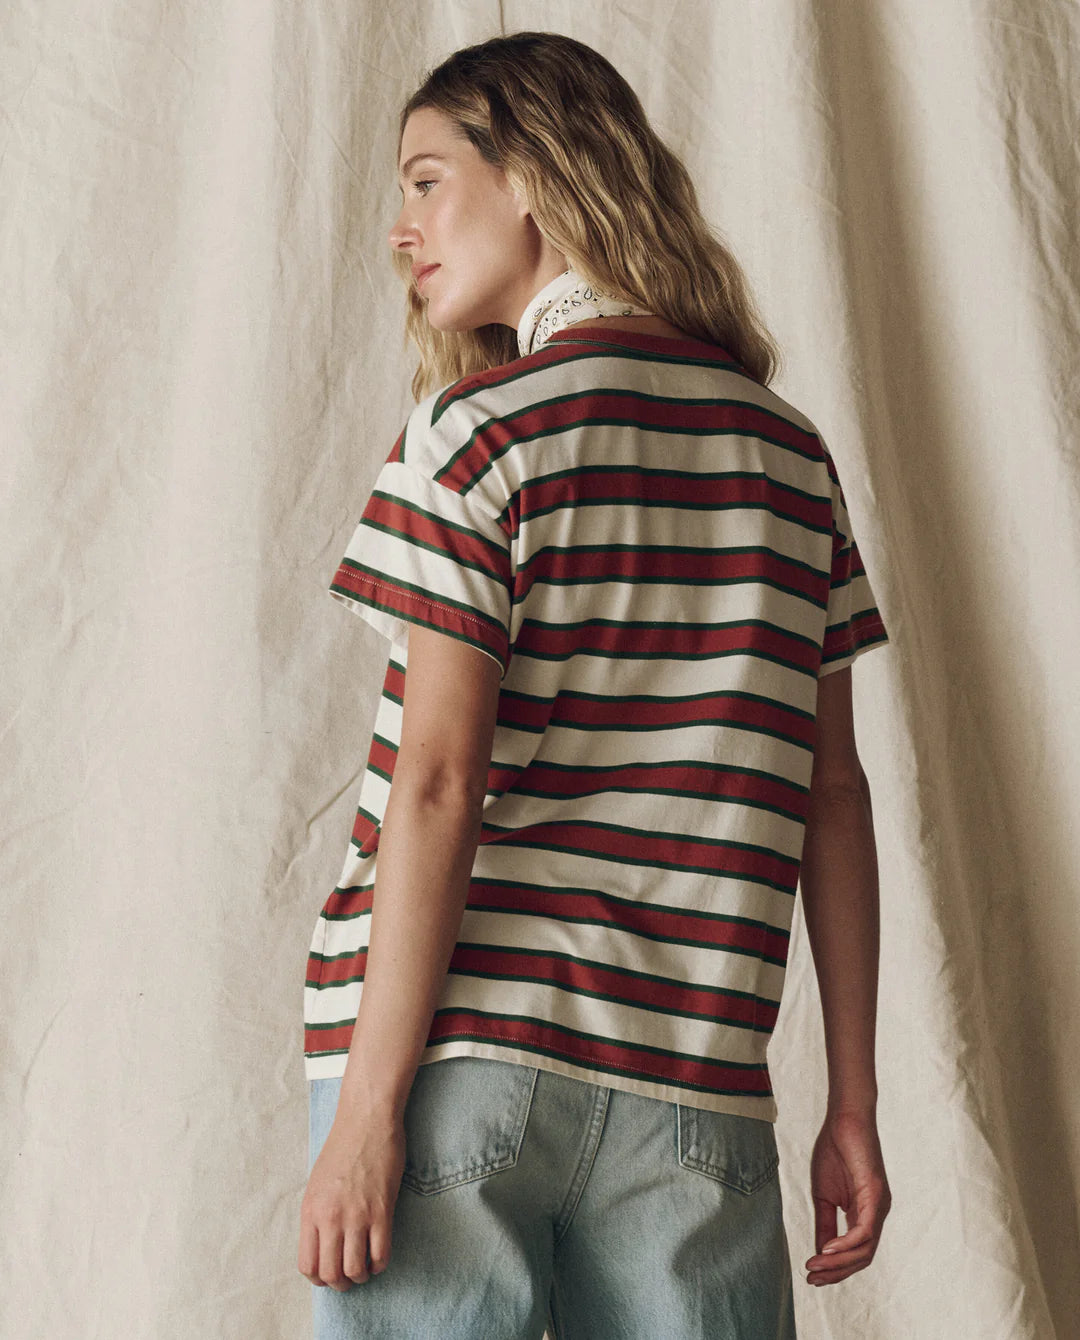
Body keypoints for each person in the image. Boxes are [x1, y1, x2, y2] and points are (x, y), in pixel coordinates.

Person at [297, 29, 891, 1340]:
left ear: (535, 176)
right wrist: (852, 1101)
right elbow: (832, 794)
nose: (401, 229)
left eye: (427, 179)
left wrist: (371, 1112)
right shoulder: (791, 457)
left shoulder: (479, 435)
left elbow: (438, 779)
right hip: (697, 1084)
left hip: (457, 1056)